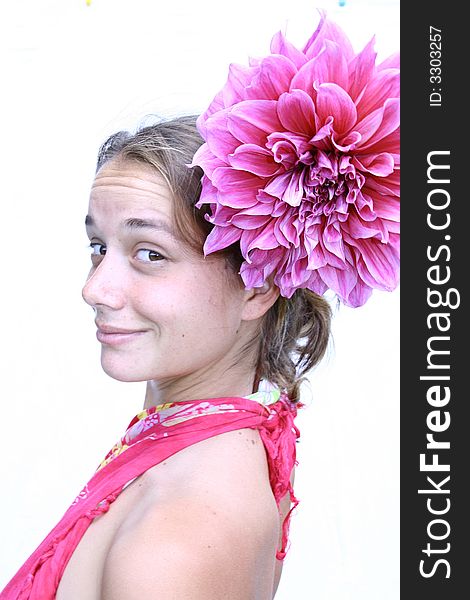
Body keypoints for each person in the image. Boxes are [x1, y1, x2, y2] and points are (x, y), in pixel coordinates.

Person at [1, 12, 399, 600]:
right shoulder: (223, 444)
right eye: (98, 246)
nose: (95, 288)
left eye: (150, 254)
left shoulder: (172, 540)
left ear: (259, 286)